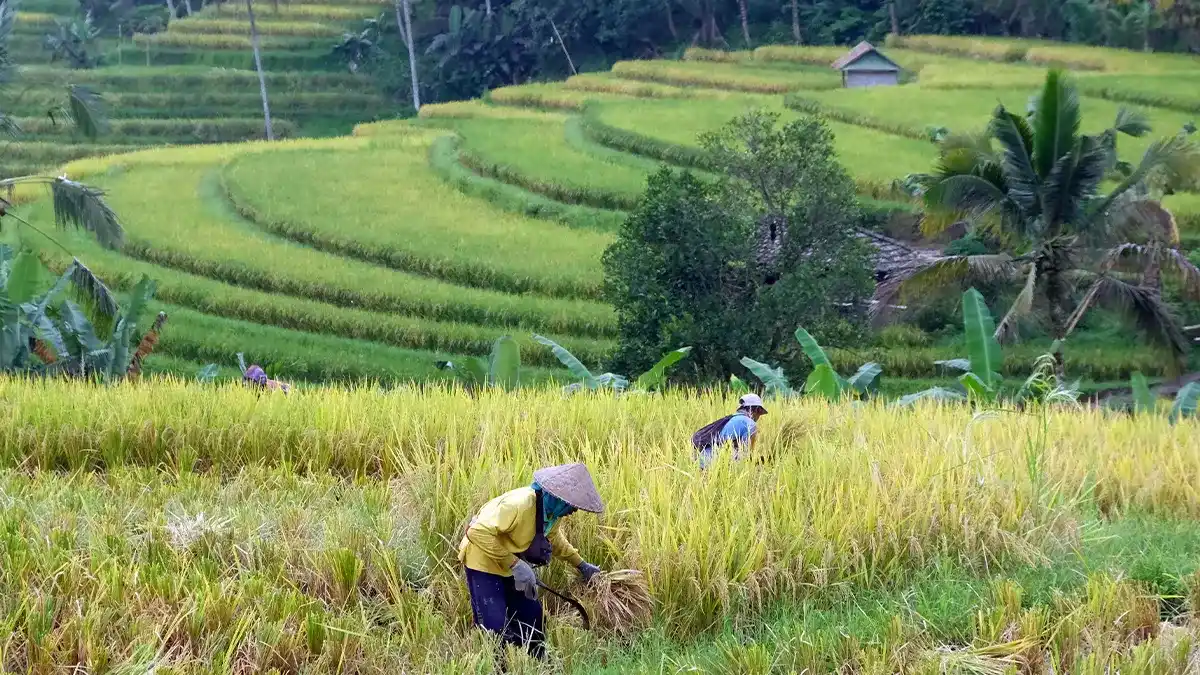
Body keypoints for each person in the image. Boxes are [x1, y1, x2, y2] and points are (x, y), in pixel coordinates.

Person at [458, 463, 605, 659]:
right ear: (558, 497)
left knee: (533, 618)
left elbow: (554, 539)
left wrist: (582, 565)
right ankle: (497, 666)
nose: (573, 511)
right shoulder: (519, 505)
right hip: (482, 561)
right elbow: (476, 532)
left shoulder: (551, 512)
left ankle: (539, 663)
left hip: (511, 563)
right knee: (494, 626)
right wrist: (515, 564)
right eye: (572, 505)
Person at [692, 393, 769, 468]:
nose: (759, 417)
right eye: (760, 413)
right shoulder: (750, 424)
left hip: (701, 461)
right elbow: (746, 452)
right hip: (716, 464)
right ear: (757, 409)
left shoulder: (730, 419)